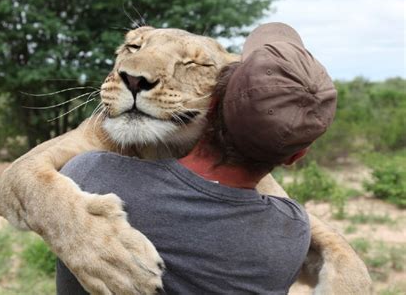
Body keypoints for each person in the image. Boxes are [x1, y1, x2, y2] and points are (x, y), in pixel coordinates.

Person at [56, 22, 337, 294]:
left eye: (196, 65)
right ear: (297, 155)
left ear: (213, 102)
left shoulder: (90, 174)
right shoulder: (292, 230)